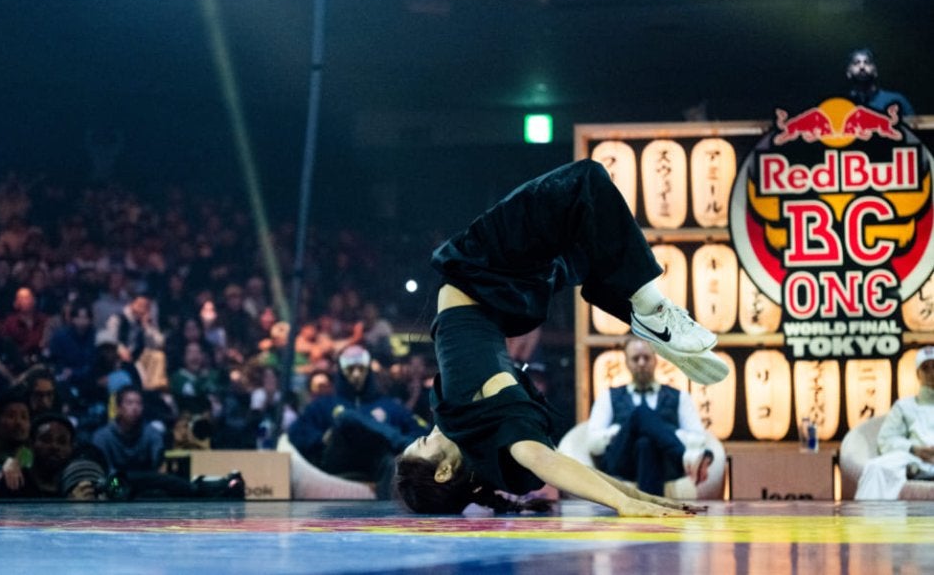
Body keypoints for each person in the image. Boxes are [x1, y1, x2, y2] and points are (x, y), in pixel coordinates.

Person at [395, 160, 725, 516]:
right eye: (425, 441)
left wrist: (638, 498)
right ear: (444, 471)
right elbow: (545, 460)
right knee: (583, 183)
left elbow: (560, 464)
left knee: (583, 239)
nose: (429, 432)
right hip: (480, 269)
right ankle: (650, 311)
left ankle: (641, 315)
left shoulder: (490, 453)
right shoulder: (482, 428)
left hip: (508, 298)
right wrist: (628, 503)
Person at [288, 345, 428, 495]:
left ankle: (387, 509)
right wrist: (321, 438)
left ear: (368, 370)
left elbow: (419, 431)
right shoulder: (323, 404)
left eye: (360, 369)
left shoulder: (389, 406)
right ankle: (397, 439)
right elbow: (295, 432)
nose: (356, 374)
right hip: (337, 460)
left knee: (391, 462)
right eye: (350, 369)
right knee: (345, 417)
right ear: (341, 371)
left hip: (375, 459)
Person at [587, 338, 712, 496]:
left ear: (655, 359)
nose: (641, 363)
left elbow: (699, 438)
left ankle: (648, 509)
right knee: (640, 414)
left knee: (646, 443)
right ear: (626, 362)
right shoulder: (608, 396)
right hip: (621, 463)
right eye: (635, 359)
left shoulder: (680, 396)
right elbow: (593, 443)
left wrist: (660, 433)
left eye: (646, 357)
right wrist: (620, 431)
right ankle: (684, 456)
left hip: (666, 465)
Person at [855, 346, 934, 500]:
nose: (932, 373)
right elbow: (886, 440)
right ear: (918, 374)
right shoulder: (904, 406)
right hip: (916, 460)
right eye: (926, 368)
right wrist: (914, 449)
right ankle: (869, 515)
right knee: (876, 467)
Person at [846, 48, 915, 118]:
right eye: (856, 63)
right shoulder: (842, 105)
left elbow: (913, 123)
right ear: (848, 73)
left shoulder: (896, 100)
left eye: (867, 62)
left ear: (875, 71)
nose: (862, 67)